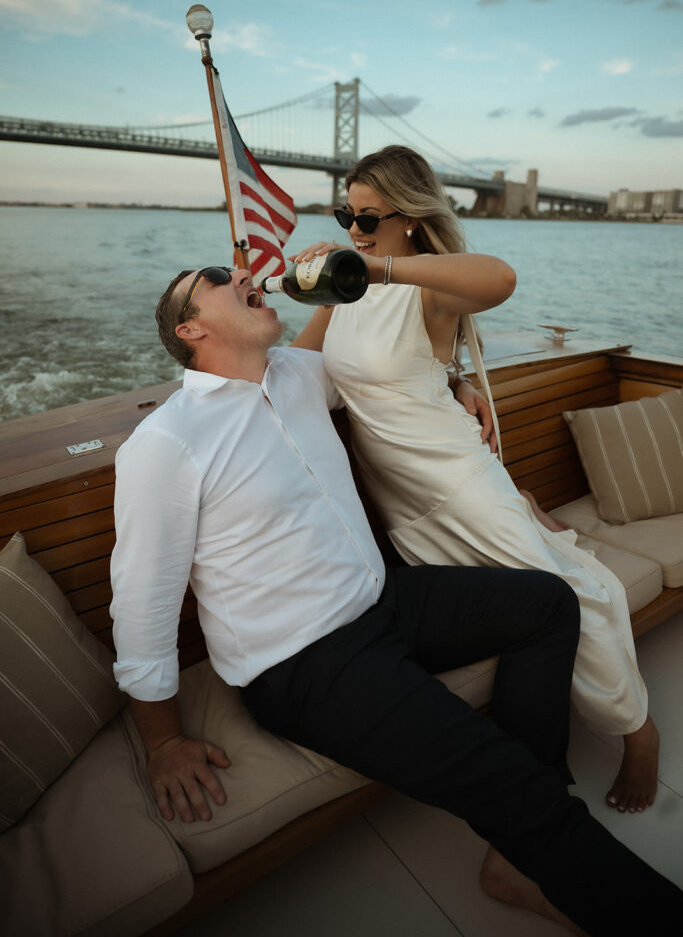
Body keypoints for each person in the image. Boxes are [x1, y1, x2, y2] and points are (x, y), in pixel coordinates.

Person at [110, 264, 681, 936]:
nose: (239, 270)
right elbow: (142, 603)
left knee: (548, 602)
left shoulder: (296, 374)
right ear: (190, 329)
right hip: (303, 663)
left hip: (381, 601)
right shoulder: (166, 444)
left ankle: (515, 852)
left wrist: (455, 382)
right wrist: (163, 740)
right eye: (214, 276)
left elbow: (393, 377)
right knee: (512, 785)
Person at [290, 145, 659, 815]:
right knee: (517, 607)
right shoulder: (346, 292)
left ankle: (639, 733)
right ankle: (527, 516)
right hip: (404, 505)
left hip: (458, 480)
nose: (354, 230)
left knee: (571, 593)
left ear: (409, 217)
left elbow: (502, 277)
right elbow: (294, 371)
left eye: (368, 218)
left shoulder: (424, 285)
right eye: (346, 215)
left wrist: (376, 268)